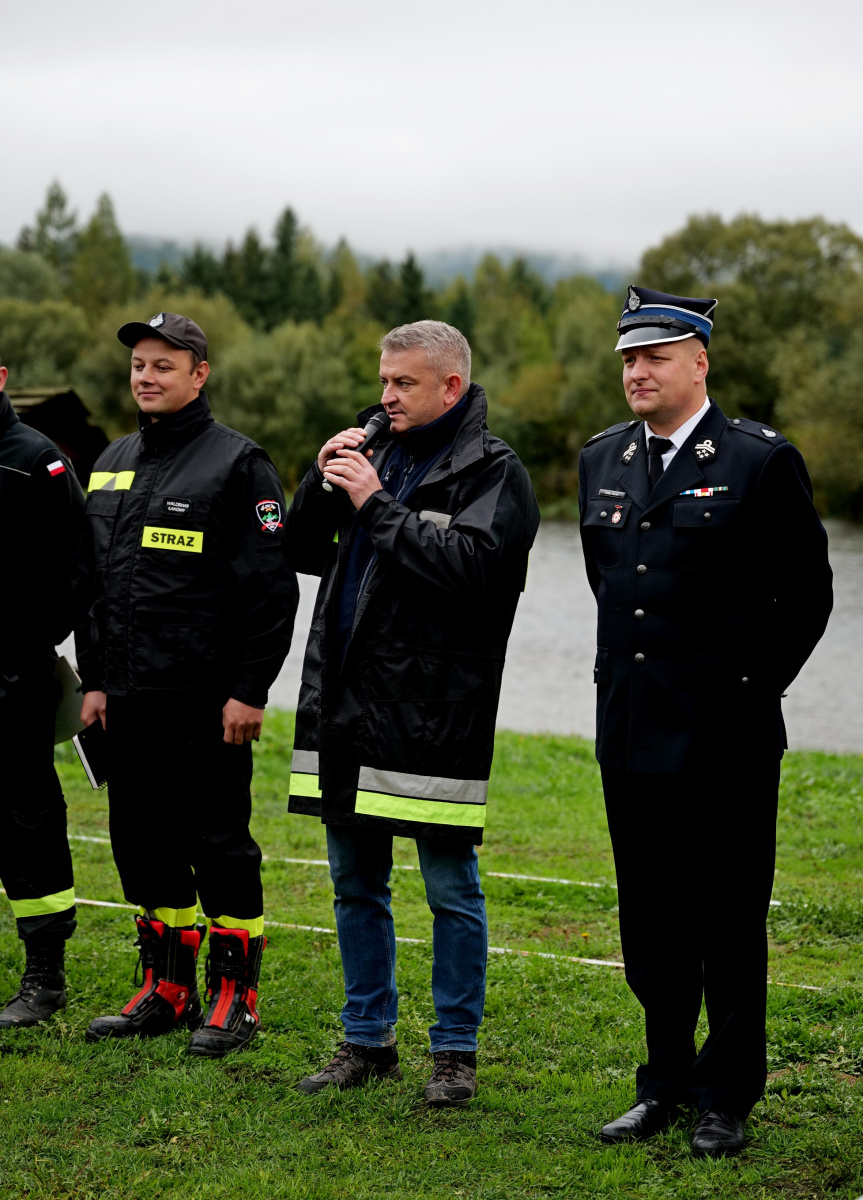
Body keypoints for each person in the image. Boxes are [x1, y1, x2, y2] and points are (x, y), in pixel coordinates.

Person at [579, 286, 833, 1156]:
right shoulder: (602, 458)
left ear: (699, 362)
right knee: (650, 923)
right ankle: (661, 1082)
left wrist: (747, 689)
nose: (636, 372)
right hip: (631, 727)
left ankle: (725, 1094)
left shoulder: (759, 460)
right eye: (627, 358)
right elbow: (613, 586)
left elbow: (806, 595)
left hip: (724, 736)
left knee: (725, 922)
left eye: (654, 356)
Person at [286, 320, 539, 1104]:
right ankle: (367, 1040)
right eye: (383, 380)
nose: (385, 396)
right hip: (347, 704)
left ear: (450, 386)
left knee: (449, 890)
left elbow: (472, 570)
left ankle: (453, 1053)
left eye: (403, 383)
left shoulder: (494, 471)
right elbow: (298, 549)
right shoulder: (377, 451)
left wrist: (375, 503)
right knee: (353, 883)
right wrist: (320, 479)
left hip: (433, 712)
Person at [74, 312, 298, 1056]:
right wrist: (95, 681)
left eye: (163, 365)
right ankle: (166, 989)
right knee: (142, 840)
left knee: (219, 843)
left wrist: (250, 689)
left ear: (199, 374)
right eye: (139, 364)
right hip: (126, 697)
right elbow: (93, 585)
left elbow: (270, 590)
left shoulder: (239, 463)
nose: (146, 377)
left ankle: (236, 1000)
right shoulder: (112, 459)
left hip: (206, 701)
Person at [0, 356, 84, 1027]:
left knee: (25, 820)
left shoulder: (36, 459)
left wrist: (22, 645)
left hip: (12, 678)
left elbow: (76, 570)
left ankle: (45, 974)